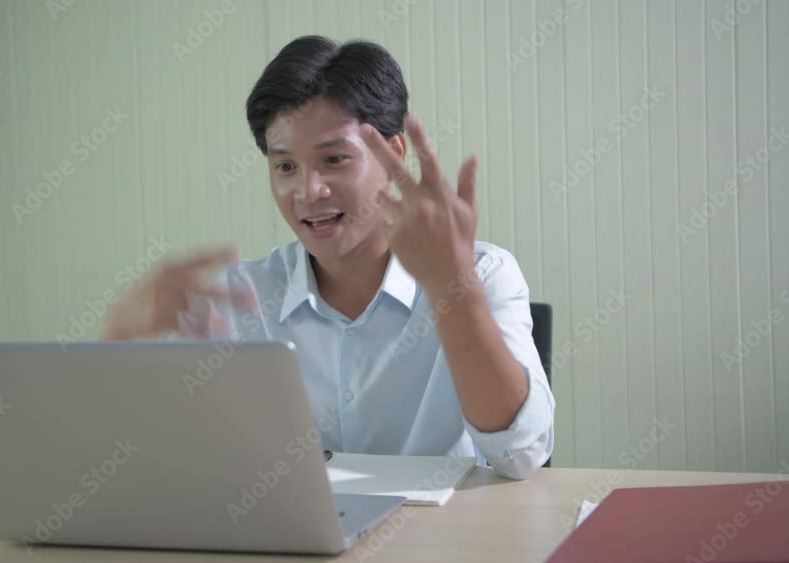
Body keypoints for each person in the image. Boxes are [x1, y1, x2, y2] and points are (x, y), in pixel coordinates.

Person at [104, 35, 554, 479]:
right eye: (285, 166)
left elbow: (521, 454)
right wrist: (122, 338)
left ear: (394, 153)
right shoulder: (239, 299)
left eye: (334, 159)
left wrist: (452, 288)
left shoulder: (482, 272)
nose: (308, 191)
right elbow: (141, 458)